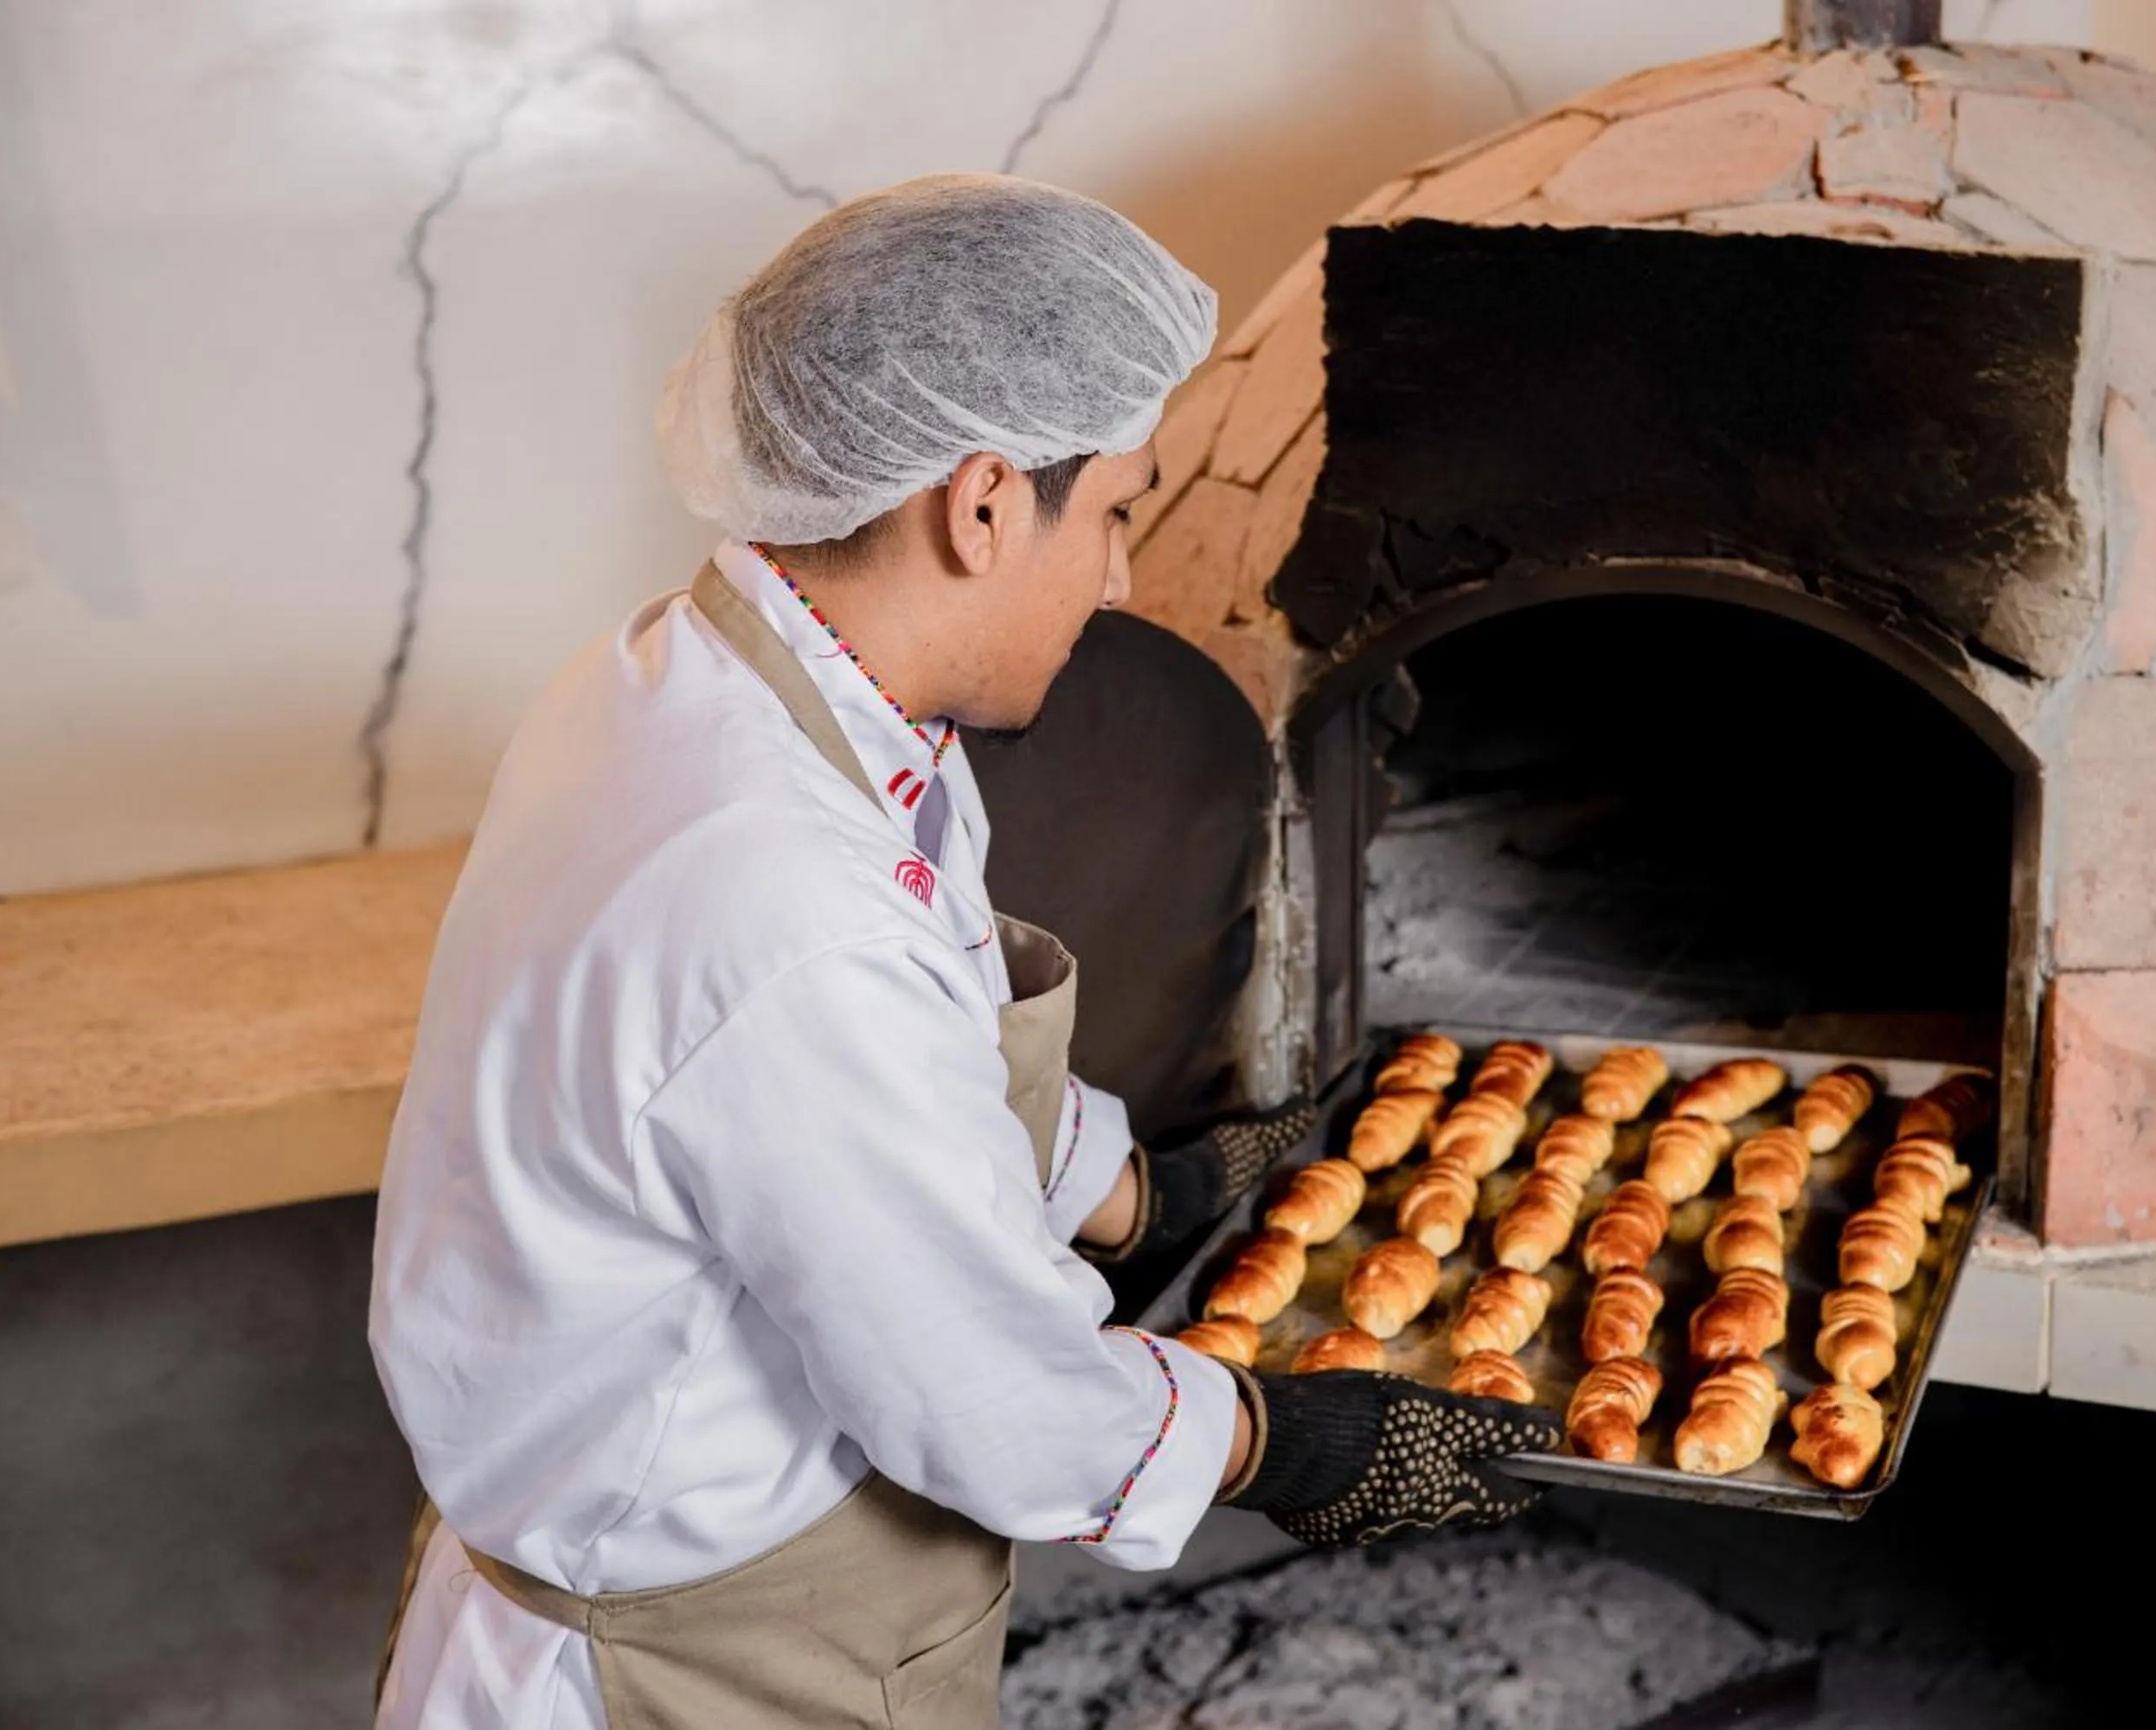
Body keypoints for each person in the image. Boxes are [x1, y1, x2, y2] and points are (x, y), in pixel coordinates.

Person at [368, 174, 1559, 1730]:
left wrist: (1137, 1192)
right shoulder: (784, 906)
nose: (1123, 579)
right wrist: (1285, 1444)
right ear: (984, 504)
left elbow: (911, 1059)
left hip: (657, 1534)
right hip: (688, 1659)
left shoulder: (710, 681)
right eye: (1118, 512)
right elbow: (993, 1400)